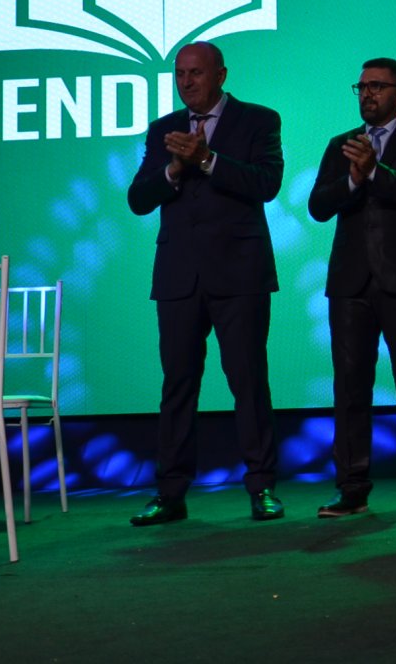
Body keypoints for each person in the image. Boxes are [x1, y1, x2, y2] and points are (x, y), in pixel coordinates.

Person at [126, 41, 285, 526]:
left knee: (248, 382)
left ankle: (262, 487)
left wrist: (208, 159)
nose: (186, 82)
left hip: (240, 273)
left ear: (220, 75)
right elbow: (138, 198)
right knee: (177, 385)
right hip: (178, 276)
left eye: (196, 73)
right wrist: (175, 168)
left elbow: (266, 184)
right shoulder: (164, 129)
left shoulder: (259, 120)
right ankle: (170, 493)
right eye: (180, 74)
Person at [308, 57, 396, 518]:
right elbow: (318, 206)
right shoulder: (341, 145)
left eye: (378, 86)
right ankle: (351, 487)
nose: (367, 94)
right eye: (362, 86)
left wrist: (374, 172)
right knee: (350, 388)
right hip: (350, 282)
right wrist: (352, 177)